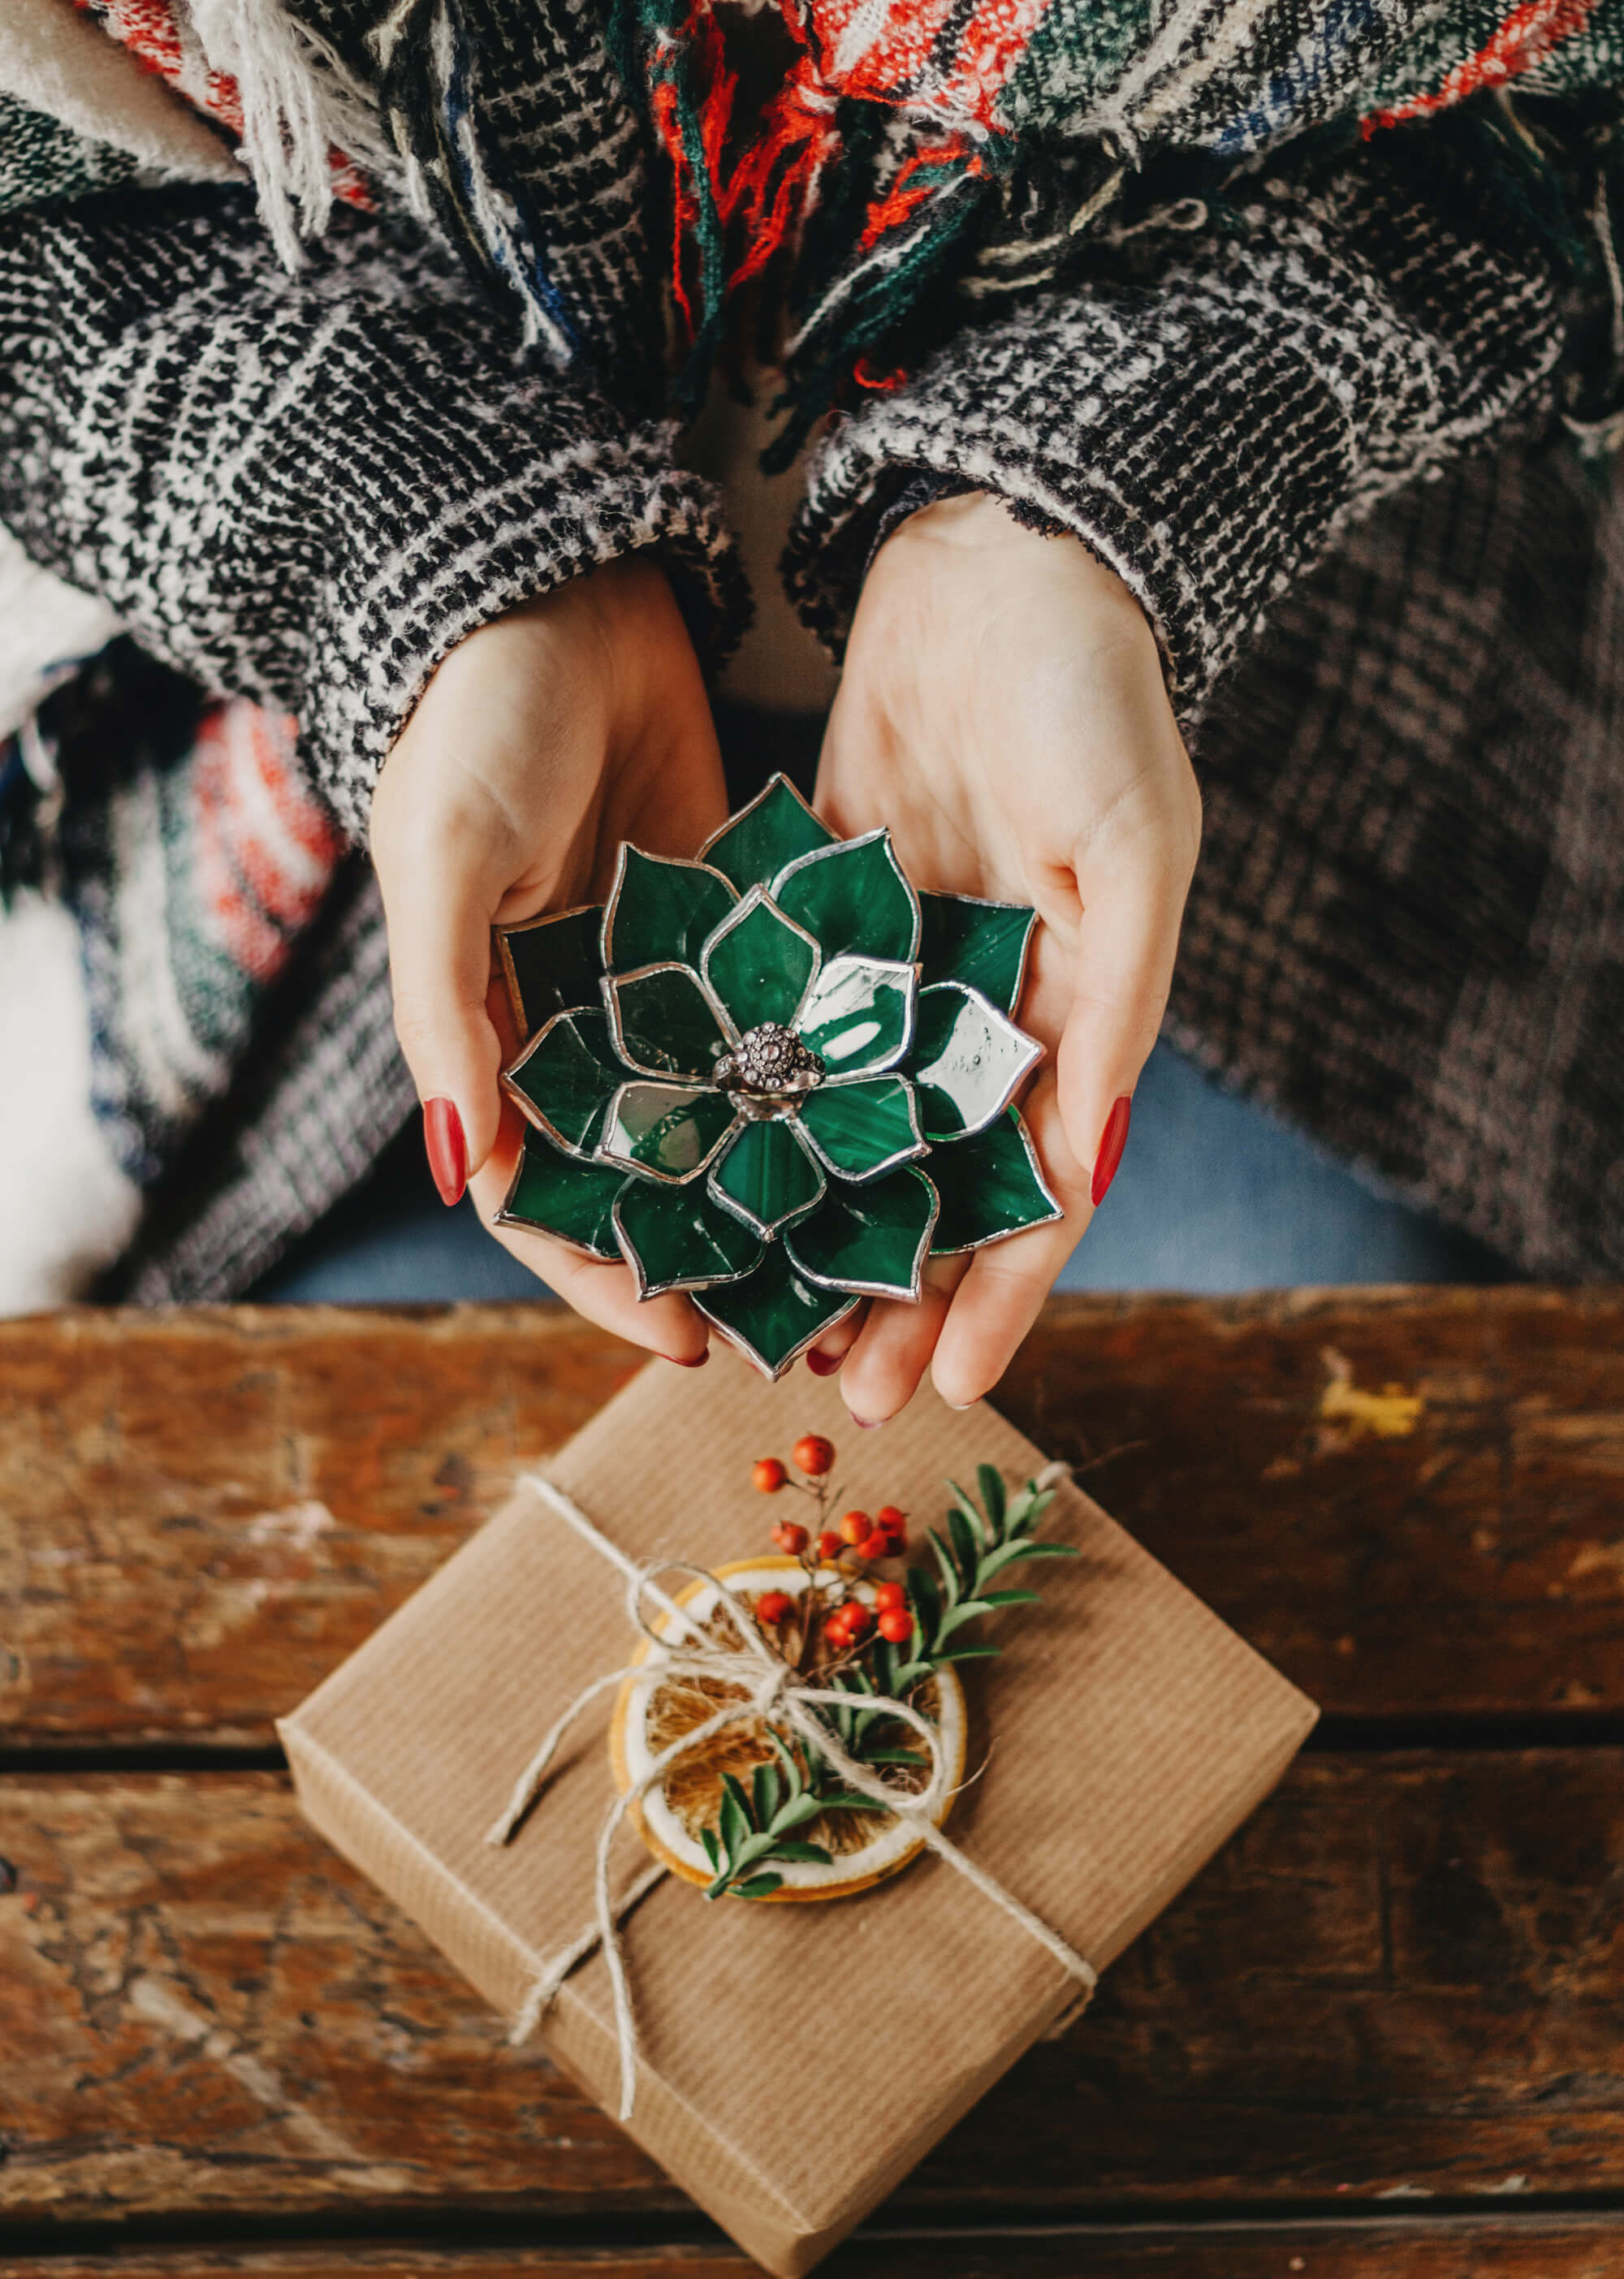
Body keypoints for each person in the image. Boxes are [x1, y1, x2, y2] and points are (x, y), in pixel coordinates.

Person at [1, 0, 1619, 1416]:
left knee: (1313, 1395)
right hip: (327, 849)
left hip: (1275, 728)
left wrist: (1117, 481)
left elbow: (1559, 126)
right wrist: (427, 559)